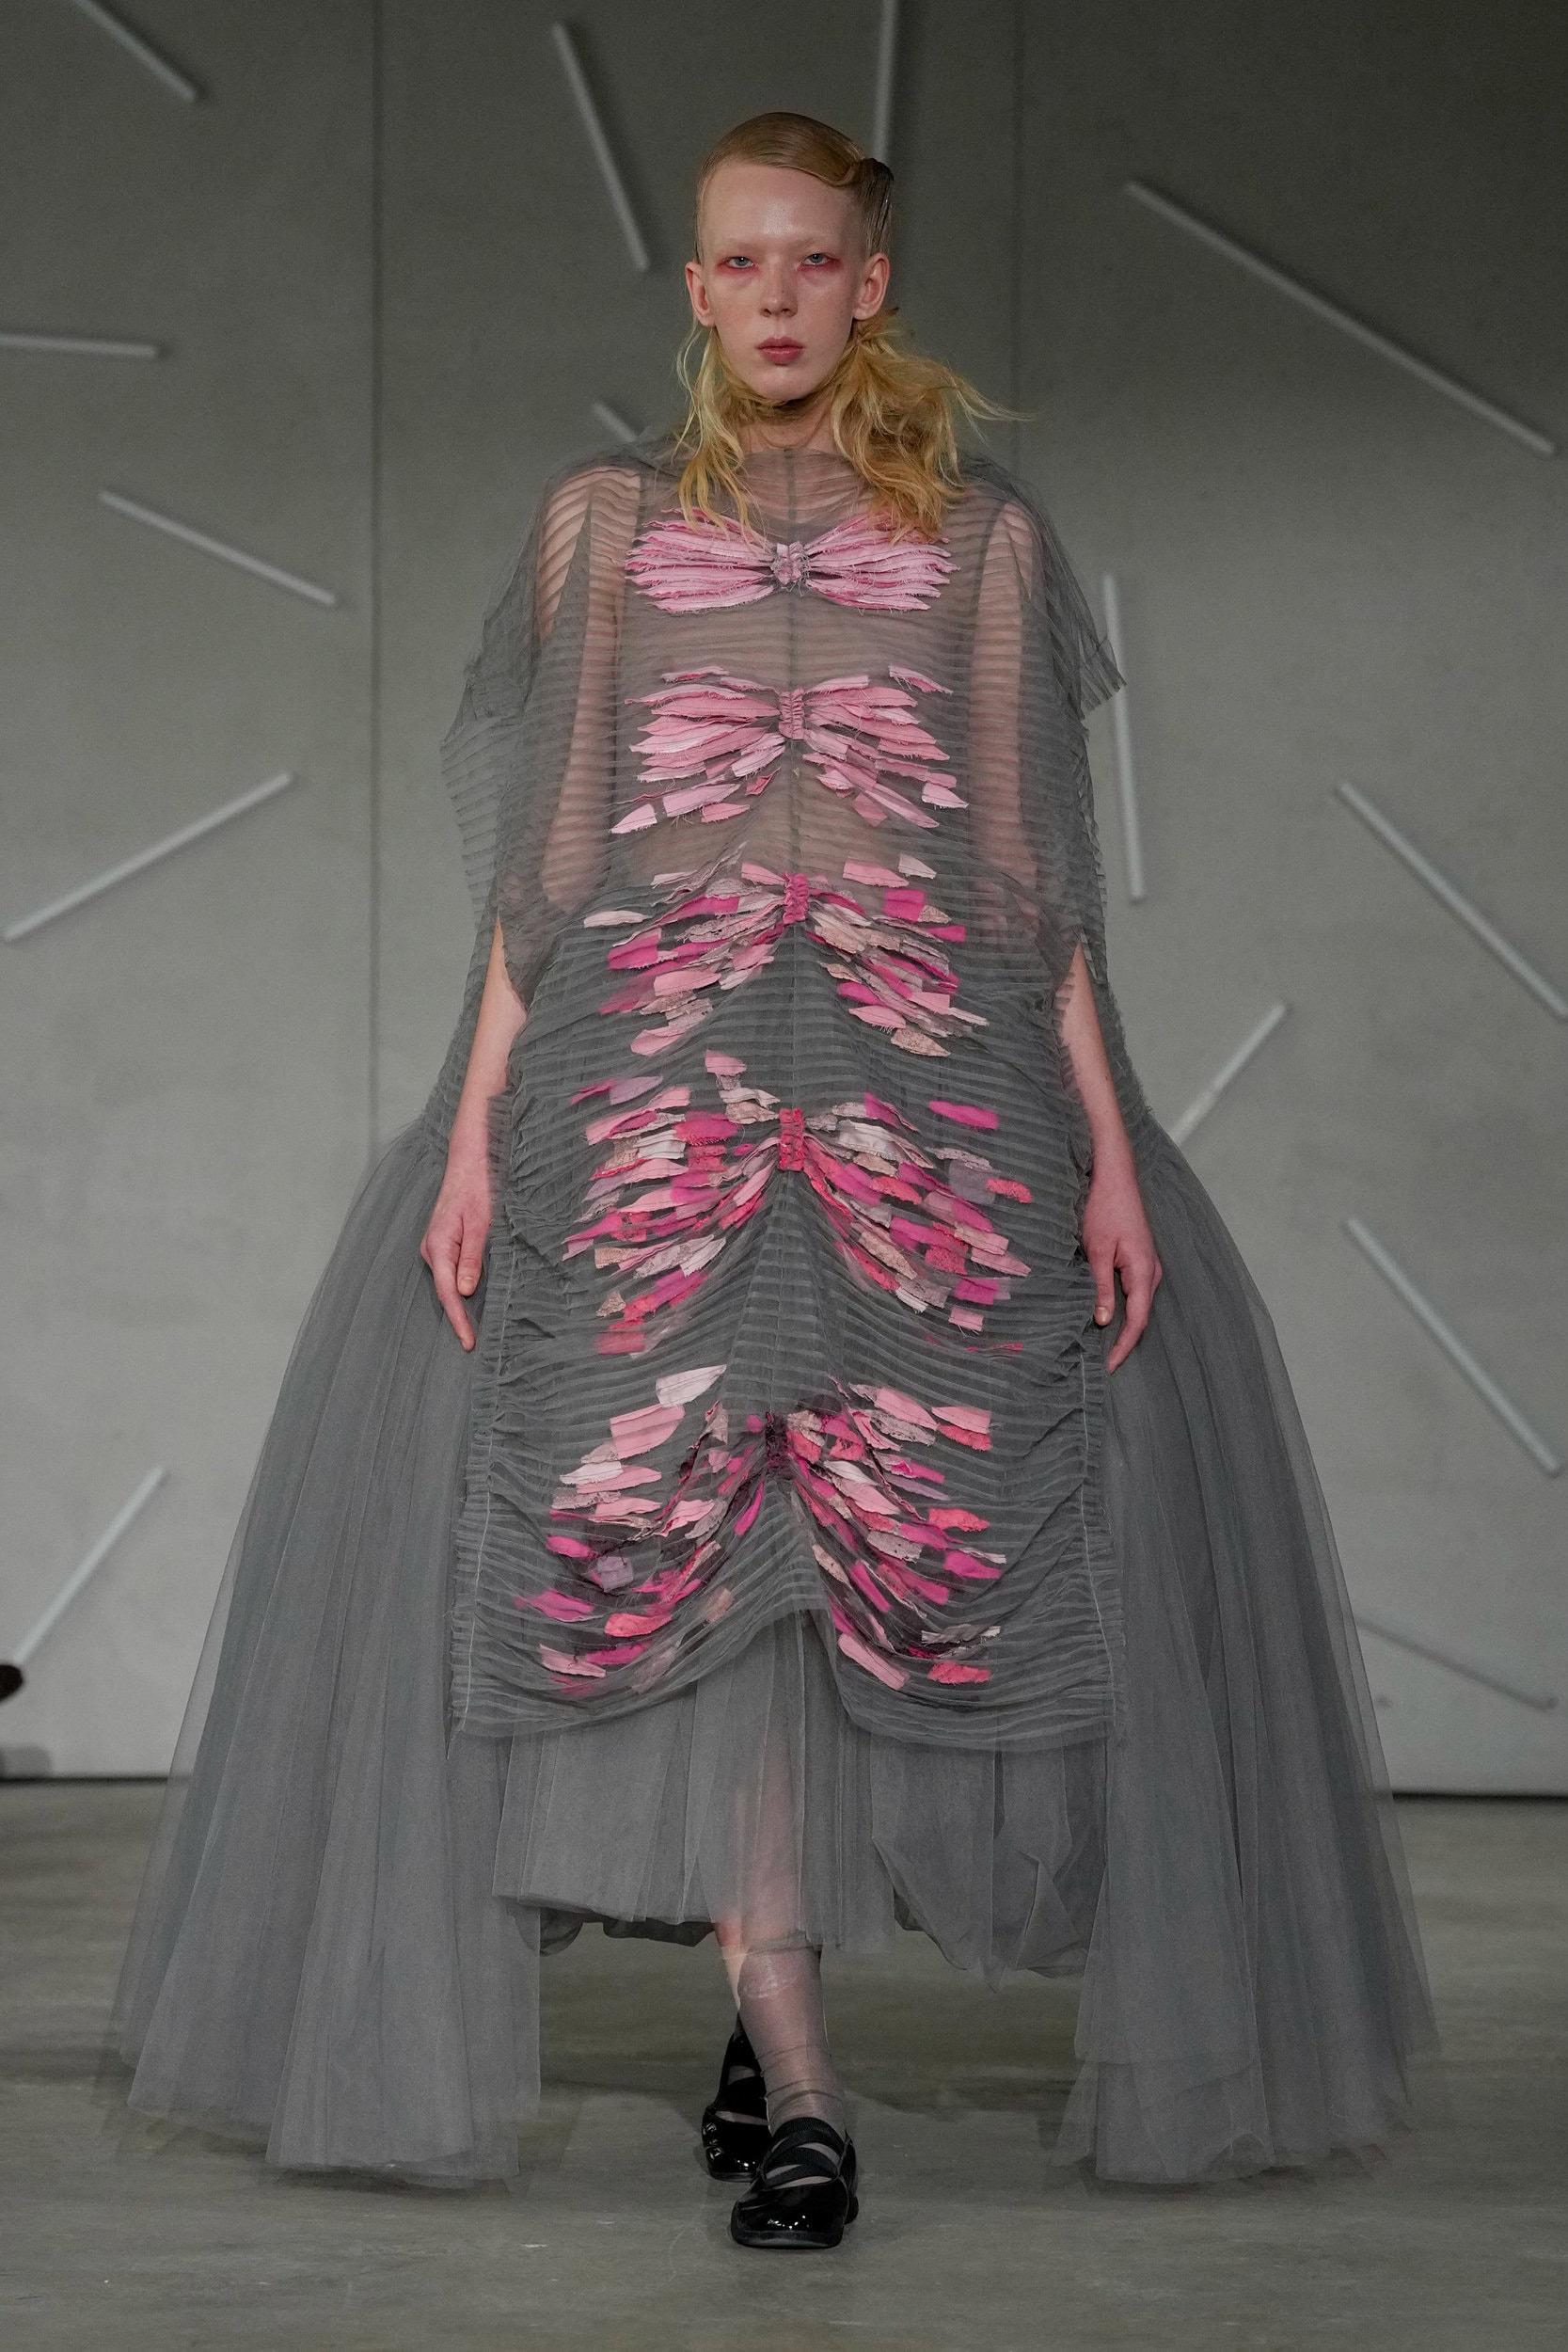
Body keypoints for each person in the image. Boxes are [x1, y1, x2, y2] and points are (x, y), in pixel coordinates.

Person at [112, 111, 1436, 2252]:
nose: (776, 296)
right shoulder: (606, 526)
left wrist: (1109, 1150)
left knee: (879, 1568)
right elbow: (551, 863)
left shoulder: (983, 540)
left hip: (928, 1115)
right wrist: (471, 1128)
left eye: (812, 258)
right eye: (738, 261)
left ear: (870, 282)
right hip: (658, 1112)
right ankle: (803, 2080)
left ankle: (773, 1998)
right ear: (698, 290)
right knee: (703, 1556)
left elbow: (1032, 881)